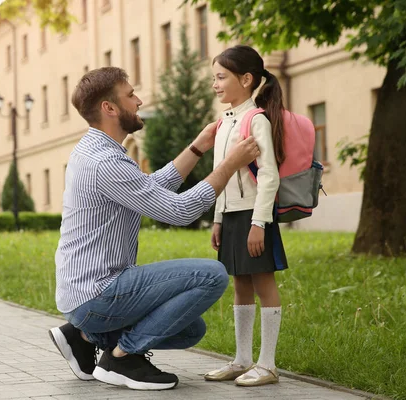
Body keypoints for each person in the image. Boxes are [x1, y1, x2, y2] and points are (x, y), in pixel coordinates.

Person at [48, 66, 260, 391]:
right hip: (97, 292)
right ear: (110, 108)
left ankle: (83, 335)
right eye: (130, 95)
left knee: (190, 330)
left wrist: (197, 147)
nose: (139, 100)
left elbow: (150, 187)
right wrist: (229, 165)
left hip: (82, 293)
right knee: (212, 275)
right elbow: (180, 211)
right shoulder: (106, 162)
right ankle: (120, 357)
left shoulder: (97, 151)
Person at [203, 45, 288, 387]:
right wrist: (219, 219)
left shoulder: (257, 120)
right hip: (233, 216)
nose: (216, 85)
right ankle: (241, 359)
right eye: (214, 78)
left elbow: (269, 175)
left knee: (263, 283)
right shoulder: (223, 123)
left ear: (246, 79)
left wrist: (259, 222)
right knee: (239, 284)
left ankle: (267, 365)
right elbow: (221, 174)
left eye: (221, 77)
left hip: (255, 216)